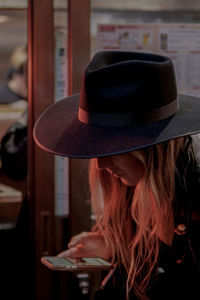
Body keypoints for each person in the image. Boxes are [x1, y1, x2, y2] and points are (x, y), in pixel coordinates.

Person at [33, 51, 200, 300]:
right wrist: (116, 248)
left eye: (113, 149)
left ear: (149, 148)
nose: (100, 165)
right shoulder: (138, 190)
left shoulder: (193, 203)